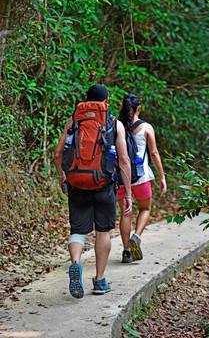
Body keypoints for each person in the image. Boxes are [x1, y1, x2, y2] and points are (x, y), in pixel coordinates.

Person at [54, 84, 132, 298]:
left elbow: (58, 154)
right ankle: (99, 281)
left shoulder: (74, 120)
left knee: (78, 231)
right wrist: (127, 194)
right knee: (103, 232)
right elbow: (124, 160)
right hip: (104, 184)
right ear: (106, 102)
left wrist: (63, 177)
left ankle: (76, 264)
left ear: (86, 99)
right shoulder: (115, 123)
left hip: (77, 182)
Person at [117, 93, 167, 263]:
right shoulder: (146, 128)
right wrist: (162, 176)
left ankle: (126, 251)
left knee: (125, 213)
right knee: (145, 209)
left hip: (122, 178)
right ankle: (136, 237)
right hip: (141, 177)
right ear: (139, 108)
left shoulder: (117, 126)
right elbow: (153, 153)